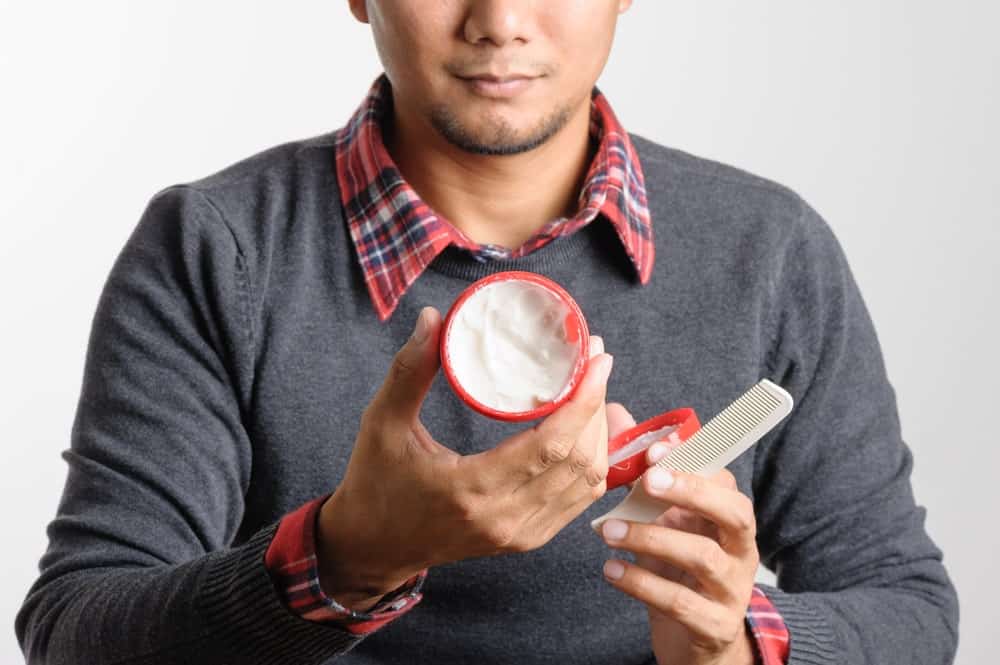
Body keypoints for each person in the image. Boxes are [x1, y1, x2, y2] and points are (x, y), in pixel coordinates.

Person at [16, 2, 959, 664]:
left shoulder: (768, 249)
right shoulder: (216, 248)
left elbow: (908, 608)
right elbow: (75, 630)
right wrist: (348, 554)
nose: (500, 19)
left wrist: (734, 642)